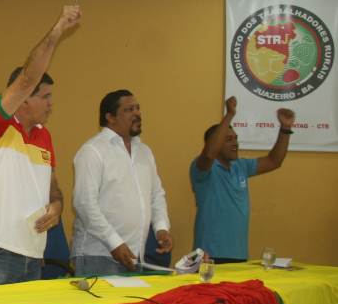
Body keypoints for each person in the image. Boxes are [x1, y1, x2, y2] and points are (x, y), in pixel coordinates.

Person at [0, 6, 81, 286]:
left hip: (33, 254)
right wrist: (58, 29)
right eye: (45, 97)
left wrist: (57, 207)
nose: (51, 104)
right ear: (23, 99)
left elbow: (54, 191)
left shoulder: (45, 136)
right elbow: (28, 78)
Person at [71, 90, 173, 276]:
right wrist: (114, 243)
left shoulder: (144, 152)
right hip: (98, 256)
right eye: (129, 109)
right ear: (110, 117)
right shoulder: (93, 151)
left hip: (134, 255)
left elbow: (156, 195)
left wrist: (161, 228)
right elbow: (84, 204)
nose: (137, 113)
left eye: (138, 108)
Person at [191, 96, 294, 263]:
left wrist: (285, 129)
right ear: (214, 143)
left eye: (236, 138)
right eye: (228, 139)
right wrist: (229, 114)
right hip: (209, 255)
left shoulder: (241, 166)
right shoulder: (201, 168)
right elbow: (209, 154)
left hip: (239, 254)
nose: (235, 143)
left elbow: (274, 161)